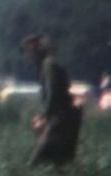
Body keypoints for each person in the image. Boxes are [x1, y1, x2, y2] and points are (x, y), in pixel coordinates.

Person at [20, 34, 82, 165]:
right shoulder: (48, 64)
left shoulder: (48, 65)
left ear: (37, 50)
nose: (29, 55)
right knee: (61, 162)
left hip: (60, 119)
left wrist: (43, 117)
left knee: (37, 162)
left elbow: (52, 94)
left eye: (30, 50)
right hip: (65, 117)